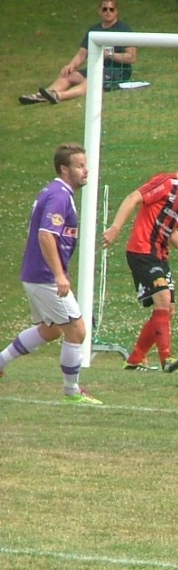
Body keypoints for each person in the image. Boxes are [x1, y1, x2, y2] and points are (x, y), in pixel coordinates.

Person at [0, 143, 102, 405]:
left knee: (52, 329)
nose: (86, 170)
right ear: (65, 169)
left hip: (36, 273)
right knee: (77, 330)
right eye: (80, 166)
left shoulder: (55, 192)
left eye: (85, 165)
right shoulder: (59, 195)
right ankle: (72, 391)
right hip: (45, 276)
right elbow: (46, 235)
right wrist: (58, 274)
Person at [101, 146, 178, 373]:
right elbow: (134, 197)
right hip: (142, 250)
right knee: (163, 299)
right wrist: (115, 227)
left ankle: (135, 358)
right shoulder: (166, 183)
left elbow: (171, 233)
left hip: (159, 256)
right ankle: (166, 358)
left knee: (168, 309)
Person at [20, 0, 137, 105]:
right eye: (104, 9)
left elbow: (131, 57)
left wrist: (110, 55)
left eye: (111, 9)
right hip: (94, 68)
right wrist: (71, 65)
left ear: (116, 11)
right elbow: (82, 54)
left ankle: (59, 96)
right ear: (99, 11)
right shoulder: (94, 30)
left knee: (91, 80)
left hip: (116, 72)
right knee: (68, 75)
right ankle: (41, 96)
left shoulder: (124, 29)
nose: (108, 12)